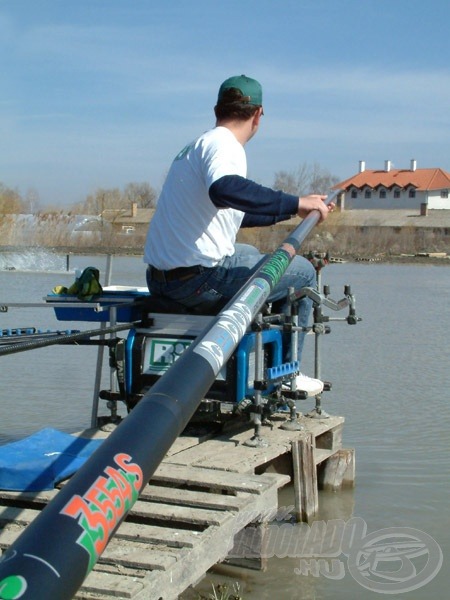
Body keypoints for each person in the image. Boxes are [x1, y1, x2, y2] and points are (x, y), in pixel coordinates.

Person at [144, 74, 334, 395]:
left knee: (243, 250)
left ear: (217, 109)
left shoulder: (198, 145)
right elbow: (225, 190)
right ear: (258, 116)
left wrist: (292, 210)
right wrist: (298, 201)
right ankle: (288, 374)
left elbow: (234, 212)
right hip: (197, 284)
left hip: (161, 279)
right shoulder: (225, 144)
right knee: (301, 272)